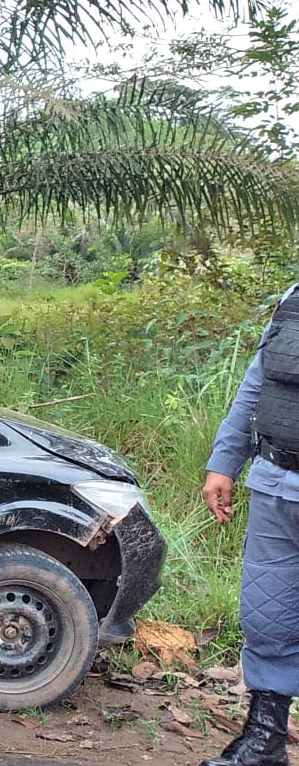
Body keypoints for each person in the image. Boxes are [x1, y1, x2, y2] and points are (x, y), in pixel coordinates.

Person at [202, 285, 299, 766]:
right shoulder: (293, 299)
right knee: (267, 615)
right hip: (277, 483)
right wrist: (224, 462)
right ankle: (265, 740)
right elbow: (257, 387)